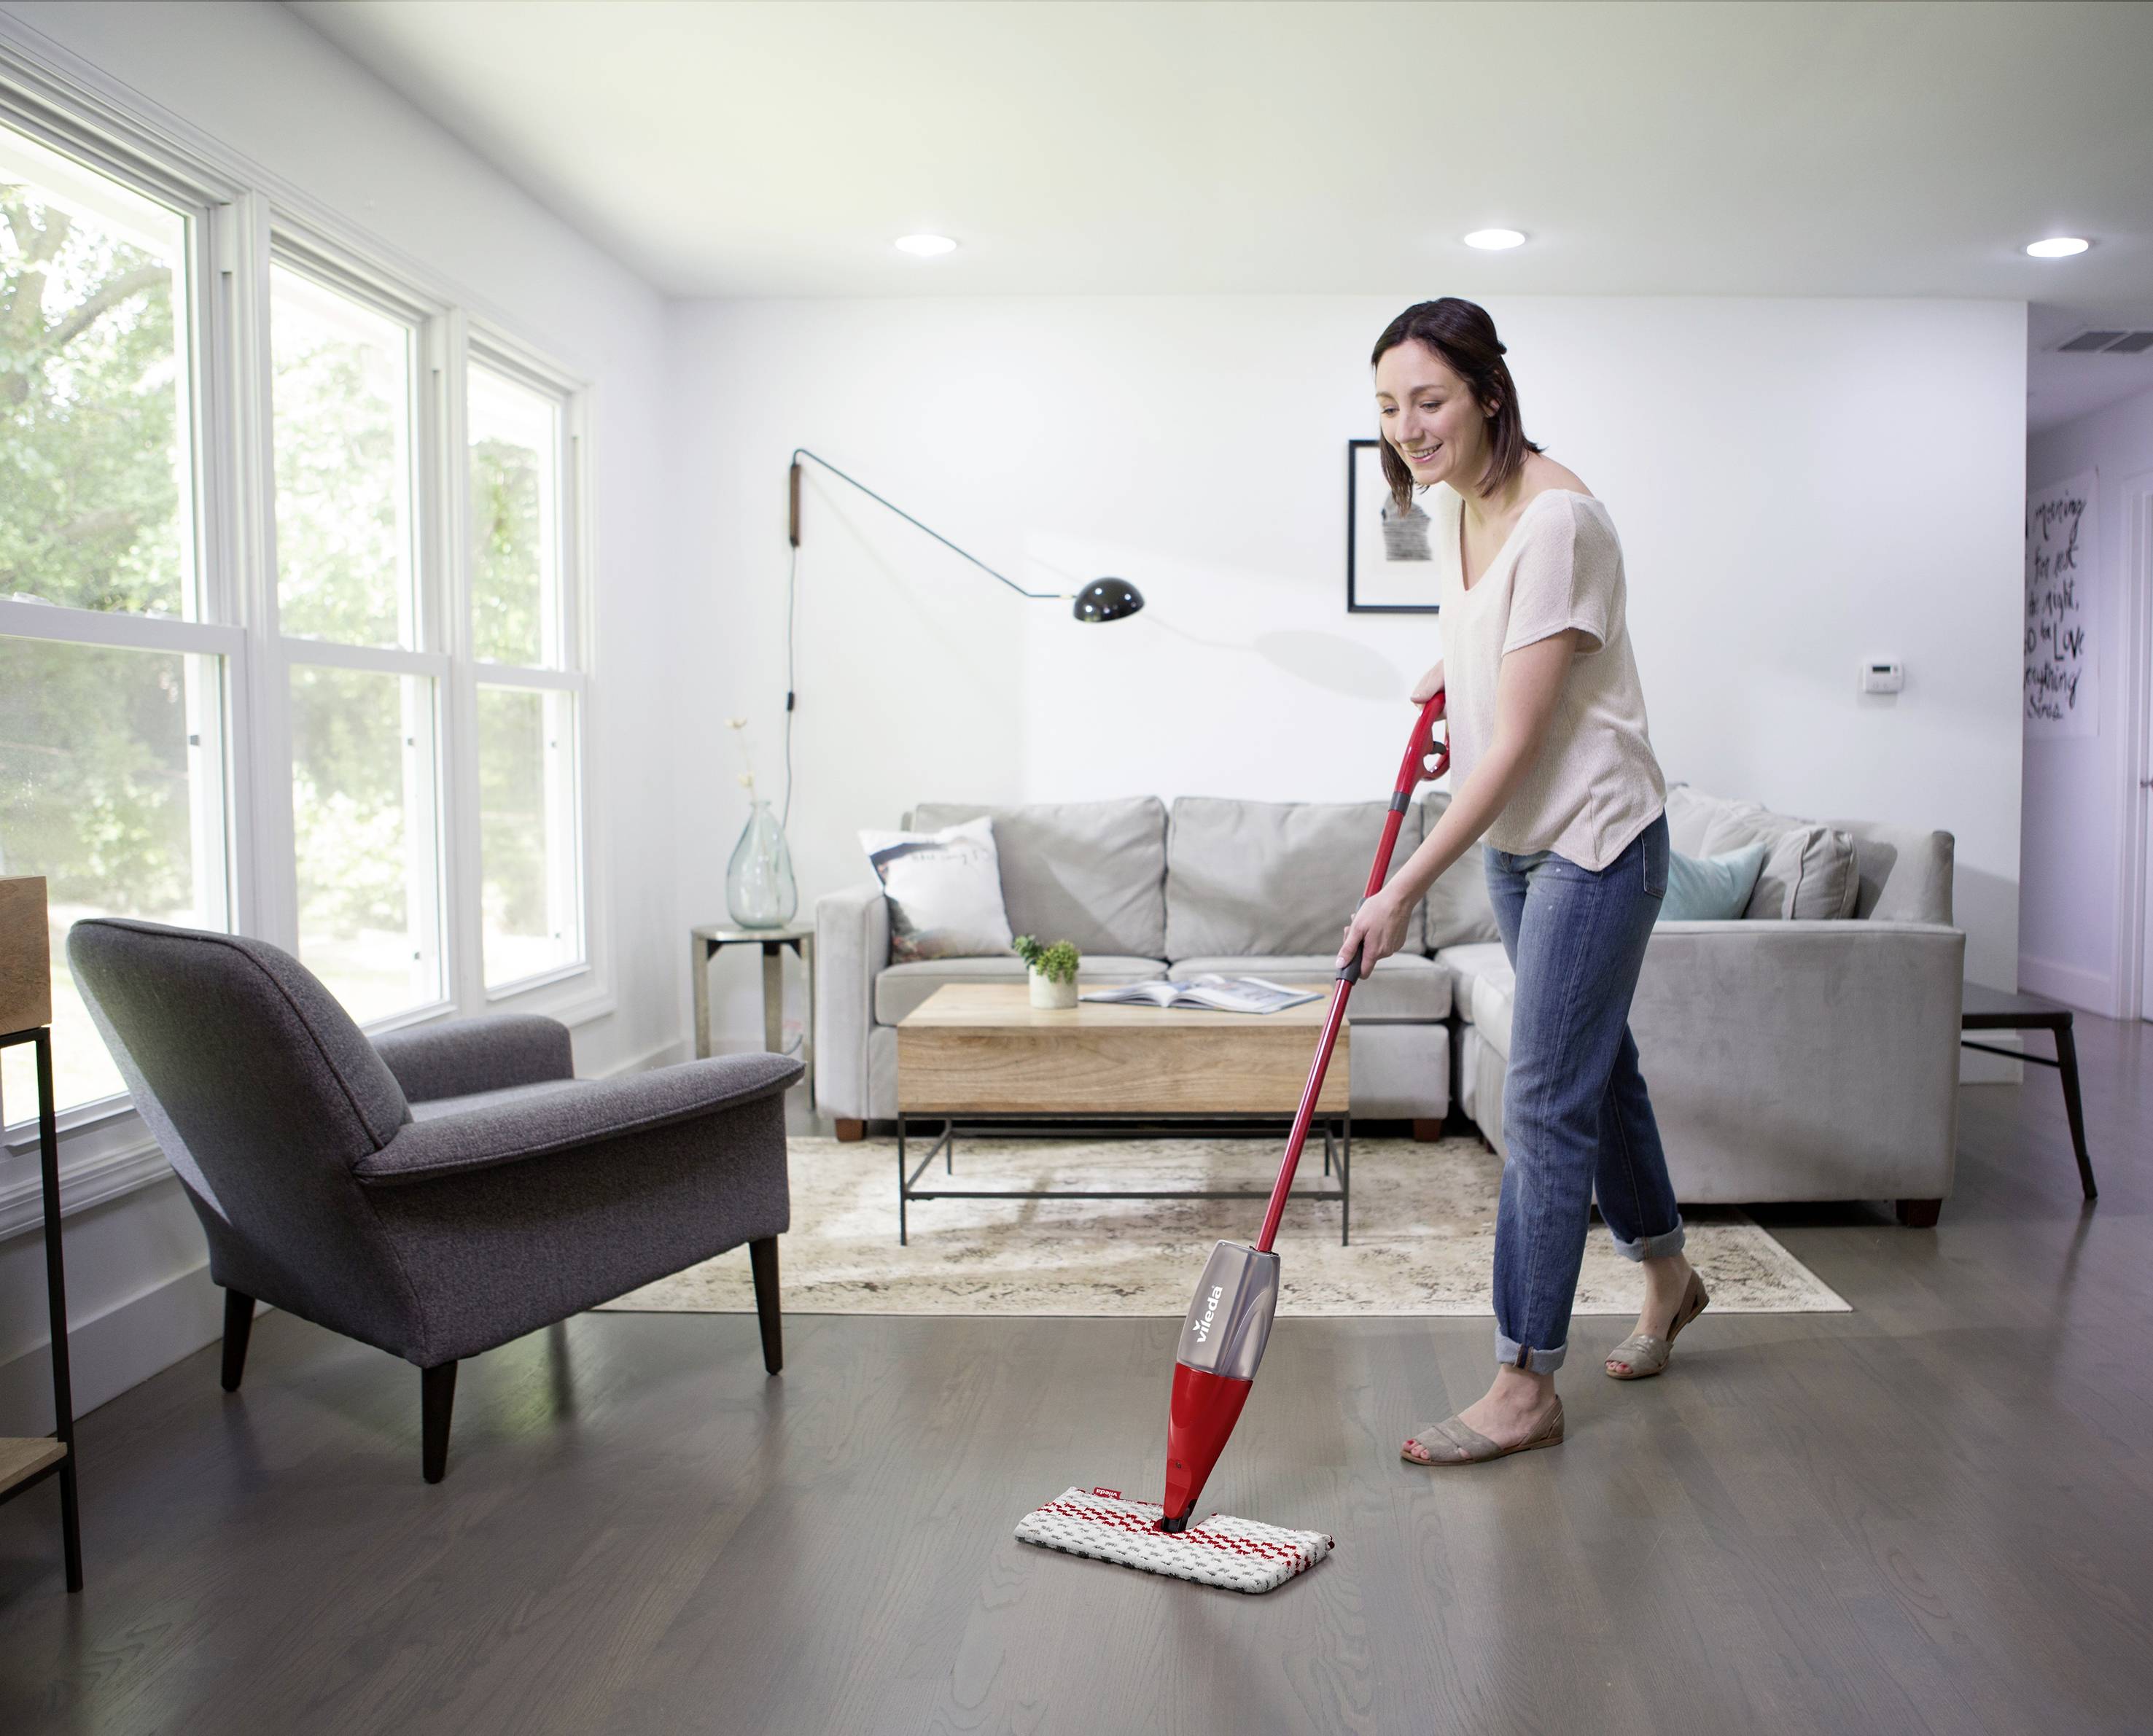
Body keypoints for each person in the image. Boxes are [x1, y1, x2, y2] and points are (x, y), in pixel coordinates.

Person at [1335, 297, 1707, 1467]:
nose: (1407, 427)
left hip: (1595, 839)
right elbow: (1504, 667)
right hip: (1521, 843)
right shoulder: (1457, 509)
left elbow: (1519, 749)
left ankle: (1520, 1379)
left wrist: (1397, 889)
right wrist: (1450, 683)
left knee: (1542, 1096)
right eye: (1389, 407)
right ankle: (1672, 1278)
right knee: (1602, 1082)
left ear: (1489, 390)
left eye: (1429, 400)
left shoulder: (1561, 521)